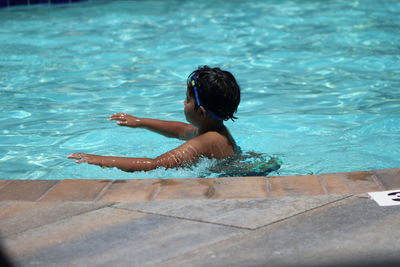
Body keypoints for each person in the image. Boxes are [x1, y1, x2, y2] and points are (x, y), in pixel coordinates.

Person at [67, 66, 241, 172]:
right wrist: (141, 122)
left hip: (236, 177)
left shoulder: (206, 140)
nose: (183, 102)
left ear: (201, 112)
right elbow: (180, 130)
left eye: (188, 99)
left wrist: (98, 159)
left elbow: (155, 165)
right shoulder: (214, 131)